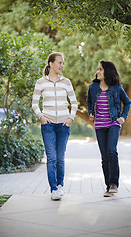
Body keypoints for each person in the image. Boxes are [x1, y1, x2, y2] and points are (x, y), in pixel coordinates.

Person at [32, 52, 78, 200]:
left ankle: (60, 185)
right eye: (59, 62)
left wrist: (71, 118)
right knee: (51, 157)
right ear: (51, 64)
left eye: (63, 63)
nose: (61, 65)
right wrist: (42, 117)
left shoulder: (66, 82)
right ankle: (53, 189)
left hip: (64, 125)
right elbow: (34, 104)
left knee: (60, 158)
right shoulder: (41, 82)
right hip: (48, 125)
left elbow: (75, 103)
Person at [87, 60, 131, 197]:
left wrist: (123, 117)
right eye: (97, 69)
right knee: (104, 157)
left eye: (100, 69)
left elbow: (127, 102)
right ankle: (108, 186)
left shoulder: (117, 87)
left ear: (108, 71)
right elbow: (89, 101)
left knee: (111, 151)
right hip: (99, 125)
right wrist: (90, 112)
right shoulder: (93, 87)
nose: (97, 72)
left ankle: (113, 184)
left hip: (113, 123)